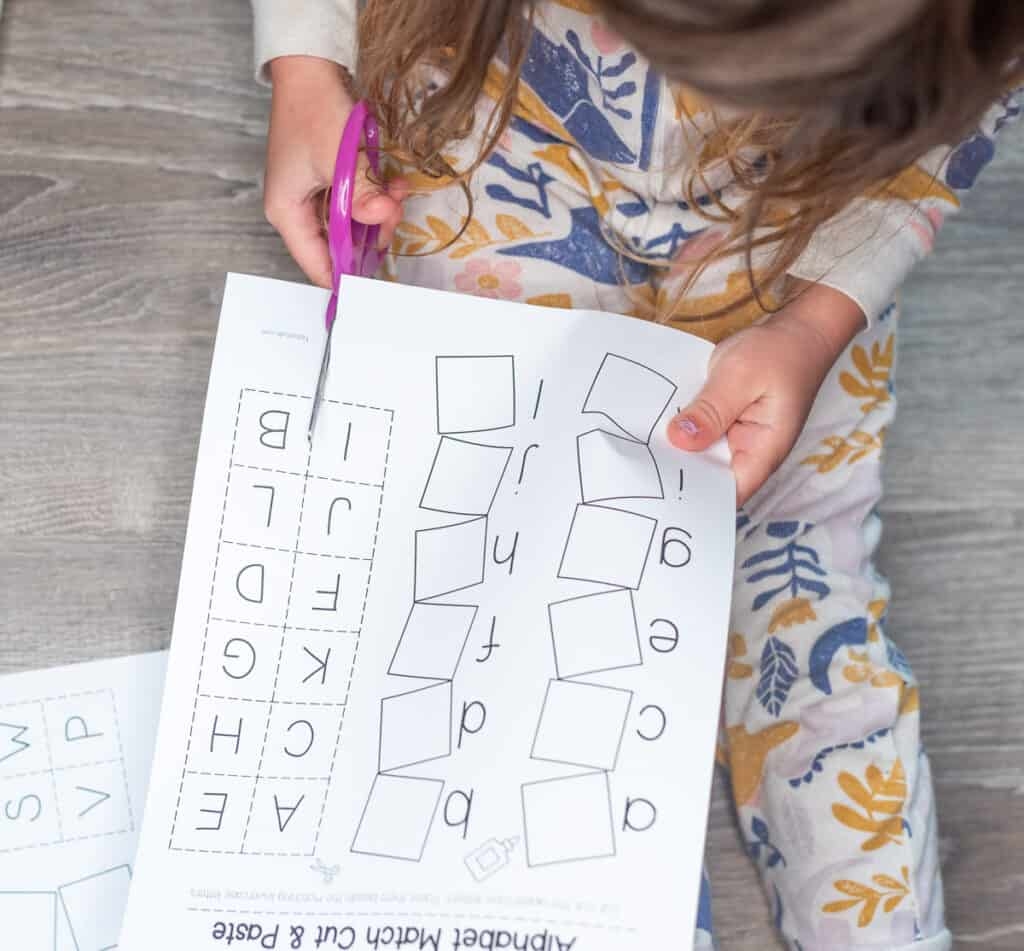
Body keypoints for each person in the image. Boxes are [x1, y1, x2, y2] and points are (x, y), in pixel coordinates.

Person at [252, 2, 1022, 947]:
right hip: (500, 134)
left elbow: (970, 85)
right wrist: (304, 62)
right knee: (512, 597)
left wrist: (820, 319)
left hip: (804, 222)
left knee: (805, 603)